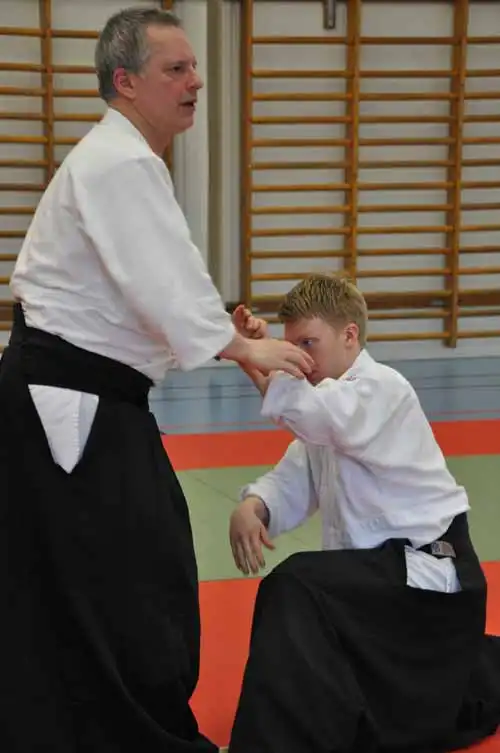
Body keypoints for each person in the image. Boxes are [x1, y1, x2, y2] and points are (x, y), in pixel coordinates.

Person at [0, 7, 313, 753]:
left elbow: (140, 293)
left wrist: (226, 334)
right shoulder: (121, 161)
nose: (196, 81)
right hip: (67, 405)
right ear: (126, 81)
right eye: (177, 69)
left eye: (195, 67)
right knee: (138, 571)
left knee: (86, 574)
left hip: (76, 397)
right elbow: (160, 284)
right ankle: (125, 731)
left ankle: (75, 726)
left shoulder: (123, 159)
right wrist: (238, 347)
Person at [228, 274, 500, 753]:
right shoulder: (328, 402)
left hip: (429, 577)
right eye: (290, 348)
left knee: (297, 585)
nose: (298, 360)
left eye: (308, 344)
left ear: (350, 335)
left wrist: (254, 359)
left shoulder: (381, 389)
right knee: (310, 594)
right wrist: (256, 506)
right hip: (382, 580)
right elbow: (295, 477)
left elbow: (321, 417)